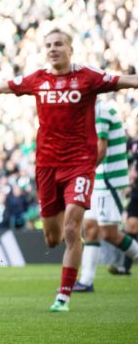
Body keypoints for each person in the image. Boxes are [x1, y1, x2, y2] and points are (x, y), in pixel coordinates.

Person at [0, 28, 138, 312]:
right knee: (53, 238)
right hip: (46, 167)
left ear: (71, 49)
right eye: (49, 45)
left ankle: (63, 296)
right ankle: (72, 249)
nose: (53, 49)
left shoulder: (88, 77)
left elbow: (128, 81)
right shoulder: (37, 80)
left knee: (71, 227)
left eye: (58, 44)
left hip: (79, 164)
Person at [74, 100, 138, 291]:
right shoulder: (91, 110)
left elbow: (101, 149)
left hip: (108, 178)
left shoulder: (100, 110)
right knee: (90, 228)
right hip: (99, 178)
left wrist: (85, 171)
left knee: (108, 233)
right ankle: (86, 281)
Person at [110, 126, 138, 275]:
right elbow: (124, 159)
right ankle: (126, 267)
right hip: (136, 191)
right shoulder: (133, 143)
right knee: (131, 227)